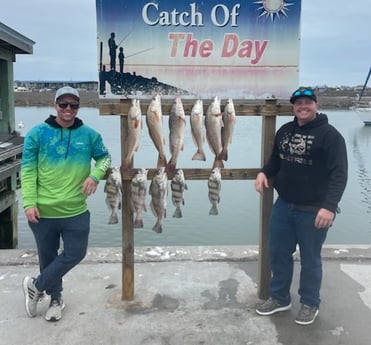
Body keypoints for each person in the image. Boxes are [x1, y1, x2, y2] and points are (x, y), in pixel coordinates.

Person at [254, 87, 348, 325]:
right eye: (298, 103)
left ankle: (309, 303)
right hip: (284, 206)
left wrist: (329, 207)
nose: (302, 107)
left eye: (307, 102)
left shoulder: (331, 136)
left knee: (311, 259)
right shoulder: (285, 130)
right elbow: (276, 159)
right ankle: (279, 298)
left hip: (314, 210)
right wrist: (264, 172)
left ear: (316, 105)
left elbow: (340, 174)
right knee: (277, 254)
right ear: (293, 107)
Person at [21, 86, 111, 322]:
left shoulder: (90, 135)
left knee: (76, 253)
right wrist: (28, 202)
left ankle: (35, 285)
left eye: (73, 105)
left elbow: (105, 158)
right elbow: (28, 171)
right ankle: (55, 299)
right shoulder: (36, 134)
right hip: (43, 211)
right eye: (63, 104)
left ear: (78, 108)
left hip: (76, 210)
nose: (68, 109)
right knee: (48, 258)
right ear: (55, 105)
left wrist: (95, 176)